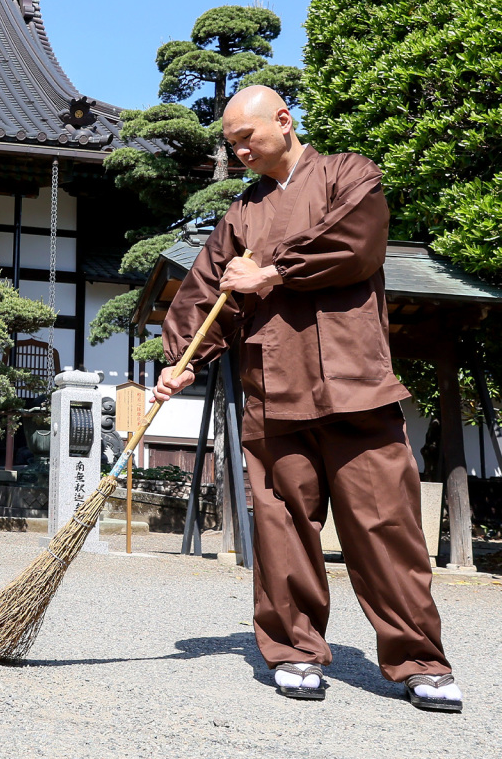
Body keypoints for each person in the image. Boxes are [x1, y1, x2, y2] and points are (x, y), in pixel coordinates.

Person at [151, 86, 462, 712]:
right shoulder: (240, 215)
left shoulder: (350, 173)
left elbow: (356, 241)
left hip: (354, 384)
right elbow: (204, 291)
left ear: (285, 121)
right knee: (282, 529)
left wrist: (271, 270)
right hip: (272, 389)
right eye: (230, 142)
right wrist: (181, 359)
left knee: (384, 527)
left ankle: (419, 661)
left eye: (247, 136)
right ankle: (294, 652)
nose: (238, 149)